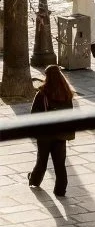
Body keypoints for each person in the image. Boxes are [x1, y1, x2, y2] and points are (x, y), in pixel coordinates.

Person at [28, 65, 74, 197]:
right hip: (61, 134)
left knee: (42, 160)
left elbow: (34, 114)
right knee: (60, 164)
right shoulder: (67, 94)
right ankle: (60, 190)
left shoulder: (42, 94)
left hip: (45, 134)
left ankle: (34, 180)